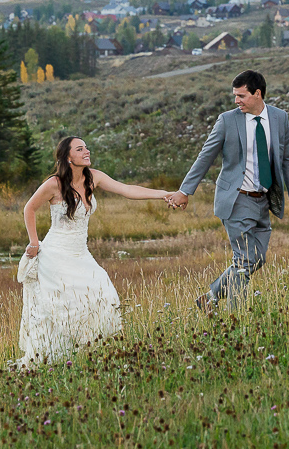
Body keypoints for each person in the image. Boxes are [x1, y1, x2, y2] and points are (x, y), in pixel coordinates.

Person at [17, 136, 174, 368]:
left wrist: (164, 193)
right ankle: (52, 360)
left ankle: (89, 355)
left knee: (104, 294)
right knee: (65, 308)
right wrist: (34, 243)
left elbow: (127, 189)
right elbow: (29, 208)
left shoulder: (94, 177)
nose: (86, 151)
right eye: (80, 149)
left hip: (81, 253)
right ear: (68, 157)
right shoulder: (54, 184)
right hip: (56, 254)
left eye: (86, 148)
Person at [167, 69, 289, 312]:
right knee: (244, 260)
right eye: (234, 96)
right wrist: (185, 190)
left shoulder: (279, 118)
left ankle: (209, 298)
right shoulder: (227, 120)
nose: (236, 101)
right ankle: (237, 316)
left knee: (256, 258)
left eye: (241, 95)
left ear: (257, 94)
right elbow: (205, 156)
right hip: (236, 198)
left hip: (264, 200)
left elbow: (288, 158)